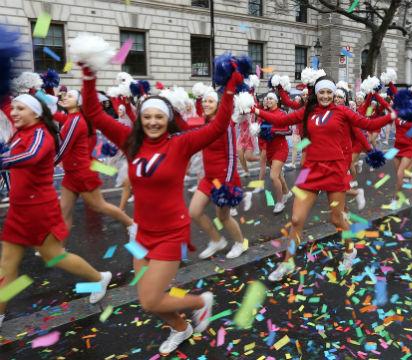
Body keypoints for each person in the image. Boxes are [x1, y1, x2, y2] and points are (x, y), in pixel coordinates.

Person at [81, 62, 243, 355]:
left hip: (171, 234)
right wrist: (89, 75)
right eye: (147, 117)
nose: (153, 122)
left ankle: (200, 301)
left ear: (168, 120)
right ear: (140, 119)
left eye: (159, 117)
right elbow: (93, 113)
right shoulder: (130, 142)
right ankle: (181, 328)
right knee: (145, 295)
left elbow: (219, 126)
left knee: (149, 300)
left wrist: (229, 90)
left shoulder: (180, 143)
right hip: (140, 235)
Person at [253, 76, 397, 281]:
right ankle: (287, 262)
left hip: (335, 169)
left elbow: (366, 122)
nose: (326, 96)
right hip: (310, 169)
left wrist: (392, 116)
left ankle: (349, 250)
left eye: (329, 92)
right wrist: (255, 111)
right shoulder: (308, 111)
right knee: (296, 220)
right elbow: (281, 120)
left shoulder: (343, 111)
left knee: (336, 218)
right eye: (322, 92)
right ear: (316, 93)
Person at [0, 94, 112, 329]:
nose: (14, 113)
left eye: (21, 109)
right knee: (7, 265)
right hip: (19, 210)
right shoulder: (21, 130)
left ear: (36, 113)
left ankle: (99, 278)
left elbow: (33, 155)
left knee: (55, 256)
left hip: (40, 210)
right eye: (13, 109)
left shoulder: (42, 134)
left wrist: (3, 159)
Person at [54, 90, 135, 235]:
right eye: (66, 96)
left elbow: (64, 147)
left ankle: (132, 225)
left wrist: (46, 165)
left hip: (82, 172)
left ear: (80, 103)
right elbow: (55, 116)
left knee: (100, 206)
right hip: (74, 171)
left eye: (70, 96)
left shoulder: (76, 121)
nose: (65, 97)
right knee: (63, 212)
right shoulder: (71, 118)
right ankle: (56, 250)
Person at [190, 90, 251, 259]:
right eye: (205, 101)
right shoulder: (204, 121)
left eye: (211, 101)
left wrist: (227, 183)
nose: (206, 104)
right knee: (194, 212)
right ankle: (217, 240)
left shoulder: (226, 125)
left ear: (218, 105)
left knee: (222, 216)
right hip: (208, 178)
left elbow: (232, 156)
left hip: (223, 180)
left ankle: (240, 243)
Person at [255, 93, 292, 214]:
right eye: (267, 99)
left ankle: (280, 202)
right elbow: (262, 131)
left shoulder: (281, 113)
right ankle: (287, 192)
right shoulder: (265, 114)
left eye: (270, 98)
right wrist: (258, 132)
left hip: (281, 148)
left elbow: (288, 130)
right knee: (278, 175)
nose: (268, 100)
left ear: (276, 101)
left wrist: (273, 131)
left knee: (273, 176)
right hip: (269, 149)